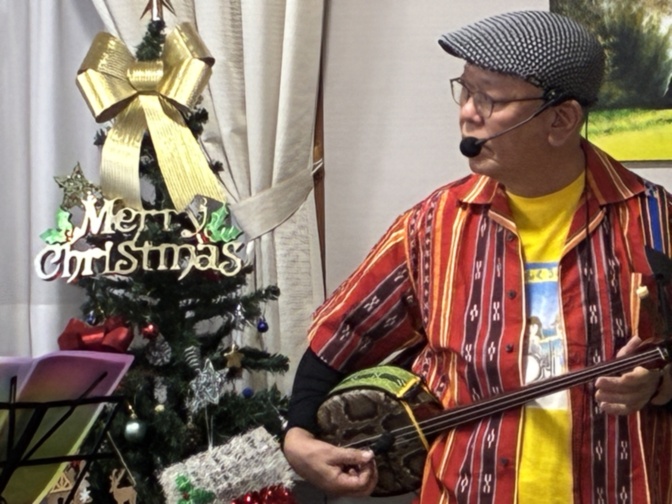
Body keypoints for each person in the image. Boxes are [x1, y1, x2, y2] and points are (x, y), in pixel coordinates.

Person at [282, 10, 672, 503]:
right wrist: (297, 435)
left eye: (489, 98)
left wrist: (661, 385)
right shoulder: (432, 224)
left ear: (561, 119)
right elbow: (344, 333)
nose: (468, 113)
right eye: (464, 91)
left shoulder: (656, 220)